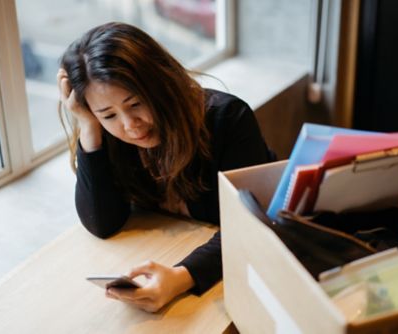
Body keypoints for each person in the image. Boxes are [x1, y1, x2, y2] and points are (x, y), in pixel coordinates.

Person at [57, 22, 274, 313]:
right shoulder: (110, 136)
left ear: (161, 83)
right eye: (108, 114)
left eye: (135, 104)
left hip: (249, 269)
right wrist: (89, 127)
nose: (130, 125)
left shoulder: (227, 119)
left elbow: (249, 226)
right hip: (182, 250)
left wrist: (180, 278)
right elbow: (102, 223)